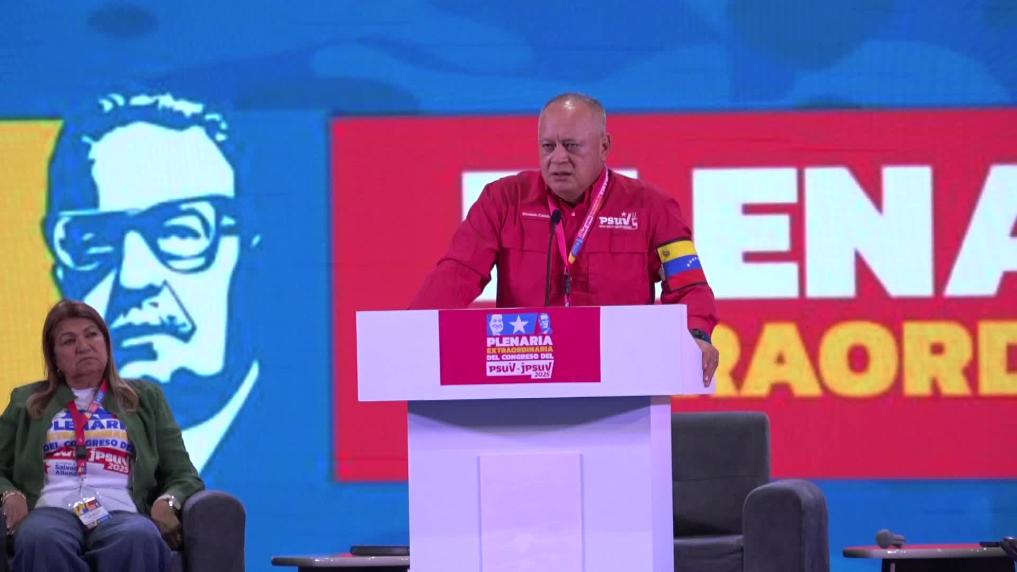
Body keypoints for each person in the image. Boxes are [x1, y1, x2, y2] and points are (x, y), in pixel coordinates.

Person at [412, 93, 719, 384]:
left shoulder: (652, 207)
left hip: (623, 376)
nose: (558, 158)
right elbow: (458, 272)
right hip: (525, 374)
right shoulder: (503, 200)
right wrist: (412, 333)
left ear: (604, 146)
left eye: (572, 146)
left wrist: (697, 335)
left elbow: (688, 286)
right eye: (548, 146)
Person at [44, 92, 260, 472]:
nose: (135, 277)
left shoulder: (327, 443)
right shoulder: (28, 443)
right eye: (95, 238)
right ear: (62, 271)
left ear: (248, 252)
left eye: (180, 231)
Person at [0, 299, 204, 571]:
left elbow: (183, 474)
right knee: (41, 539)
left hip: (121, 512)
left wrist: (168, 501)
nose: (83, 346)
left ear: (107, 343)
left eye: (91, 335)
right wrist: (9, 493)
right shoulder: (27, 401)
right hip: (50, 511)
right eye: (69, 341)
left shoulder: (146, 398)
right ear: (55, 358)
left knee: (139, 536)